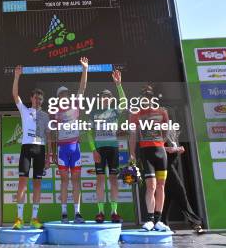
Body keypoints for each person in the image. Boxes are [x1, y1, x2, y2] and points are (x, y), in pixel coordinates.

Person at [12, 65, 51, 230]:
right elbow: (15, 94)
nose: (38, 101)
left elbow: (48, 136)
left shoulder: (45, 115)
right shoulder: (24, 110)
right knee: (22, 182)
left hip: (40, 149)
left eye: (40, 99)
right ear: (31, 99)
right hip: (27, 148)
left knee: (37, 183)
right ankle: (19, 219)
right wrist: (17, 76)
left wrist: (49, 156)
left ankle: (34, 218)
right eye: (35, 98)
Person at [87, 69, 127, 223]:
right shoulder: (94, 113)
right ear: (100, 99)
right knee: (100, 180)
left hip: (113, 148)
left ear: (111, 100)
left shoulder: (115, 111)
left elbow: (124, 102)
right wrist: (93, 149)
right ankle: (100, 212)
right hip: (100, 149)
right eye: (104, 97)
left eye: (108, 97)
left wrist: (119, 85)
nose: (106, 99)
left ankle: (114, 212)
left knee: (113, 180)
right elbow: (89, 132)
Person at [129, 85, 170, 232]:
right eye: (144, 96)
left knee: (161, 186)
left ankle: (159, 220)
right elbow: (133, 135)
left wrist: (161, 143)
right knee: (151, 186)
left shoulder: (162, 112)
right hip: (146, 152)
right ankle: (150, 219)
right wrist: (132, 153)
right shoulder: (136, 113)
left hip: (160, 152)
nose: (146, 98)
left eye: (149, 96)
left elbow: (166, 131)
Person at [54, 57, 88, 224]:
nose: (64, 96)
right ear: (58, 97)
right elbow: (53, 134)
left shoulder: (76, 105)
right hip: (62, 149)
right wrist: (52, 153)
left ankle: (77, 213)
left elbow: (82, 88)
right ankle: (64, 214)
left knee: (75, 180)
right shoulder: (55, 112)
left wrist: (85, 70)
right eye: (61, 95)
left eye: (66, 94)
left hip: (75, 148)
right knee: (64, 180)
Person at [161, 129, 205, 234]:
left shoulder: (172, 131)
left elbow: (173, 146)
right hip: (166, 165)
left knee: (167, 195)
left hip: (173, 163)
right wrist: (168, 149)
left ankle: (161, 222)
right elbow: (152, 148)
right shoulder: (156, 130)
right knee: (180, 190)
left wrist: (178, 149)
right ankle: (195, 222)